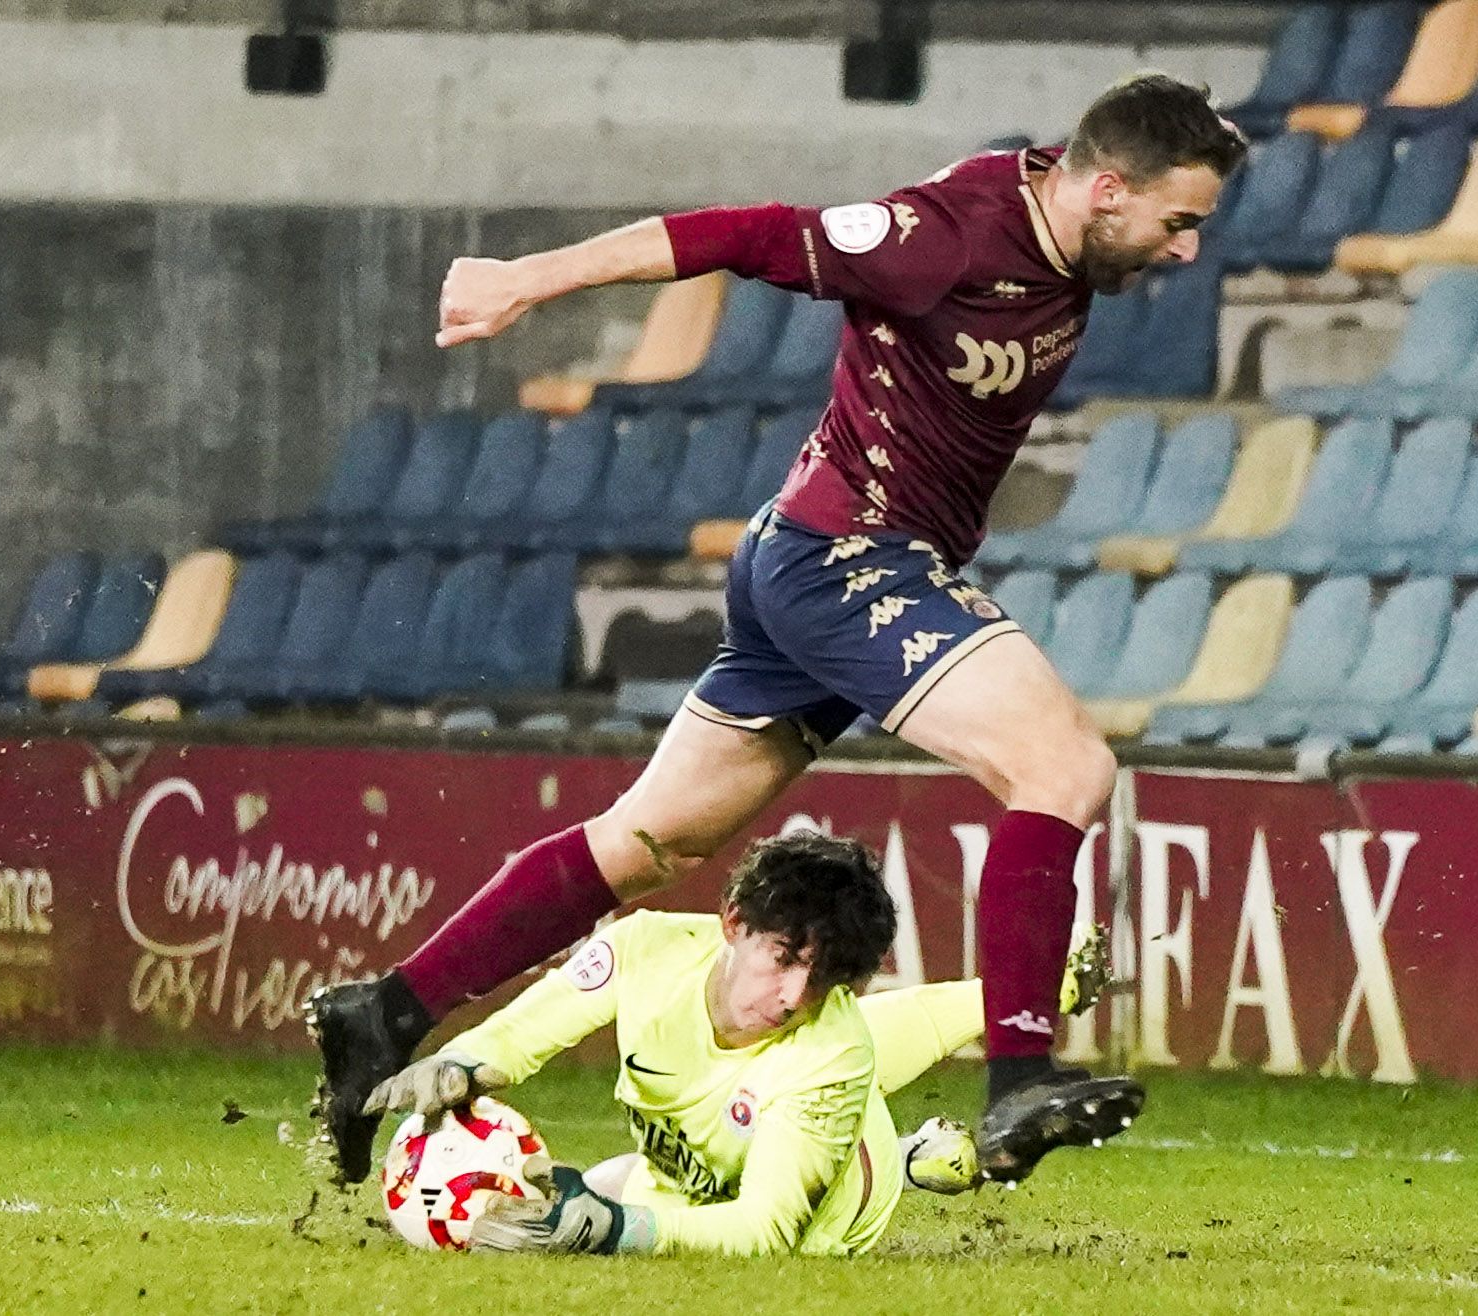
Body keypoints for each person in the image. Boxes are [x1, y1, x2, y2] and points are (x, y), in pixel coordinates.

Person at [311, 71, 1246, 1188]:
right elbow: (749, 233)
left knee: (651, 839)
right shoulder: (941, 238)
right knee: (1063, 765)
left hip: (812, 560)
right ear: (1104, 189)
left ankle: (387, 1007)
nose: (1184, 250)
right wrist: (529, 278)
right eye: (1177, 222)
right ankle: (1018, 1083)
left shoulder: (1051, 213)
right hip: (847, 556)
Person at [365, 832, 1102, 1256]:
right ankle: (1037, 991)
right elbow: (531, 1026)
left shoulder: (827, 1048)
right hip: (687, 1165)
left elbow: (766, 1231)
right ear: (732, 923)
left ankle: (910, 1158)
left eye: (823, 980)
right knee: (598, 1187)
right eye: (783, 959)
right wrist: (460, 1064)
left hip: (838, 1196)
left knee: (851, 1047)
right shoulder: (648, 949)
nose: (791, 997)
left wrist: (616, 1232)